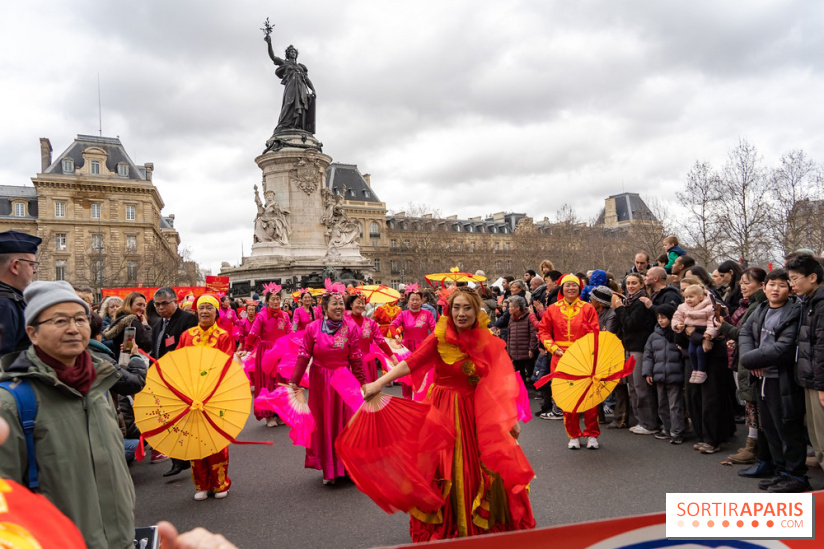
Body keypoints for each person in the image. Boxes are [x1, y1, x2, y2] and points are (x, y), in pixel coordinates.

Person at [362, 287, 535, 540]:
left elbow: (498, 382)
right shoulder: (439, 337)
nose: (461, 313)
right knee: (445, 469)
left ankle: (479, 528)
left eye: (467, 308)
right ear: (449, 310)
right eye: (456, 308)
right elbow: (411, 362)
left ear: (476, 312)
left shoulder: (487, 340)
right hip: (443, 411)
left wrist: (509, 418)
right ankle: (451, 525)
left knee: (482, 469)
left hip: (479, 413)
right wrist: (379, 383)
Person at [0, 281, 135, 548]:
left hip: (121, 539)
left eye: (80, 319)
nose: (73, 329)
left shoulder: (99, 384)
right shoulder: (13, 401)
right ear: (33, 333)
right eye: (60, 320)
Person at [739, 269, 809, 492]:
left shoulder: (794, 312)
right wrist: (753, 361)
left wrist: (750, 360)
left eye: (781, 285)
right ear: (764, 287)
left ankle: (797, 476)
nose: (775, 289)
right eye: (772, 284)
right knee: (769, 428)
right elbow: (745, 334)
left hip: (783, 380)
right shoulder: (761, 309)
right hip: (762, 379)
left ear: (789, 289)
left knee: (787, 428)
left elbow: (785, 348)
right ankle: (781, 471)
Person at [289, 286, 366, 485]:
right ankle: (330, 469)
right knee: (324, 424)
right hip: (320, 382)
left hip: (344, 381)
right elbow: (304, 354)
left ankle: (348, 467)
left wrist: (364, 384)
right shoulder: (312, 328)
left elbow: (356, 358)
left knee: (347, 423)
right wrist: (294, 381)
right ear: (324, 307)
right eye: (334, 304)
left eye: (341, 303)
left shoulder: (351, 328)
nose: (339, 307)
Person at [177, 294, 238, 500]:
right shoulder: (186, 336)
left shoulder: (223, 337)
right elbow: (178, 363)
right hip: (191, 395)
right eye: (201, 308)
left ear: (216, 312)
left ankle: (220, 483)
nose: (204, 311)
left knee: (216, 440)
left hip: (214, 395)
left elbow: (226, 365)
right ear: (196, 311)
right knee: (196, 440)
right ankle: (201, 484)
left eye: (209, 308)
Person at [537, 274, 600, 449]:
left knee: (589, 397)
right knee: (567, 398)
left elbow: (594, 331)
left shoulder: (588, 308)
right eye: (567, 286)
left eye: (574, 285)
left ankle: (591, 434)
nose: (571, 288)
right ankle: (573, 434)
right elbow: (543, 332)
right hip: (560, 358)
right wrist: (553, 348)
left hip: (584, 359)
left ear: (580, 288)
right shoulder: (552, 309)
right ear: (562, 289)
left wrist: (584, 350)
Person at [717, 267, 768, 467]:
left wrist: (722, 326)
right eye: (742, 283)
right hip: (743, 358)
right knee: (750, 405)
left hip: (753, 362)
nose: (743, 286)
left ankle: (755, 448)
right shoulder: (748, 304)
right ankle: (752, 444)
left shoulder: (758, 306)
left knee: (755, 405)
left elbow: (744, 334)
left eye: (748, 282)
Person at [150, 287, 199, 477]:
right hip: (164, 379)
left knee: (186, 420)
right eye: (157, 304)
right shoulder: (157, 326)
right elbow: (156, 352)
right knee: (169, 420)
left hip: (183, 377)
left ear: (175, 301)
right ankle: (178, 460)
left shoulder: (187, 320)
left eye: (164, 303)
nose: (161, 308)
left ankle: (190, 458)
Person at [786, 254, 824, 469]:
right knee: (816, 436)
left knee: (821, 436)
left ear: (812, 277)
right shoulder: (808, 302)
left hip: (817, 380)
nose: (792, 284)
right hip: (809, 377)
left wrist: (821, 385)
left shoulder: (820, 304)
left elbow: (821, 348)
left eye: (795, 278)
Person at [611, 273, 657, 432]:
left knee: (640, 387)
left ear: (641, 285)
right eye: (628, 283)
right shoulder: (630, 301)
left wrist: (619, 309)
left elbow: (630, 324)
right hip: (629, 348)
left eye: (634, 283)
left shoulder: (640, 302)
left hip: (639, 348)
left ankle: (649, 423)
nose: (630, 286)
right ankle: (640, 421)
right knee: (632, 388)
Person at [243, 288, 293, 427]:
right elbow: (253, 333)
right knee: (267, 383)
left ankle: (279, 413)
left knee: (281, 383)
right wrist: (246, 348)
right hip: (266, 352)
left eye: (278, 299)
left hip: (281, 352)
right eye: (273, 299)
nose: (276, 302)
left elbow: (289, 333)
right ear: (267, 301)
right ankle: (268, 416)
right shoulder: (261, 316)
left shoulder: (285, 316)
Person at [642, 304, 686, 444]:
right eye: (658, 318)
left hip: (675, 375)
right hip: (659, 375)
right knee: (662, 405)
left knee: (675, 405)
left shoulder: (677, 334)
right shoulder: (654, 336)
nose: (661, 320)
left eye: (664, 317)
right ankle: (667, 429)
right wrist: (647, 372)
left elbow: (683, 353)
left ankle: (677, 431)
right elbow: (648, 355)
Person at [0, 230, 41, 356]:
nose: (34, 271)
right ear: (15, 266)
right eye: (31, 264)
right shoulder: (4, 306)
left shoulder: (10, 300)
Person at [391, 289, 436, 398]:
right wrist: (397, 336)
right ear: (408, 301)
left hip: (423, 349)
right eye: (412, 299)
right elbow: (392, 326)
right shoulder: (403, 314)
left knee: (423, 374)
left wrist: (431, 341)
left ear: (422, 301)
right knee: (406, 374)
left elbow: (435, 329)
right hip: (407, 349)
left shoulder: (428, 314)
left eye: (417, 299)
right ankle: (407, 399)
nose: (415, 302)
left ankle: (421, 397)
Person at [672, 284, 719, 384]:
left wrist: (709, 334)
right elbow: (676, 317)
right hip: (691, 335)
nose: (688, 299)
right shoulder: (683, 307)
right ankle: (695, 370)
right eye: (686, 297)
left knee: (700, 351)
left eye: (691, 297)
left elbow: (712, 322)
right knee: (691, 351)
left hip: (703, 332)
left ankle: (701, 370)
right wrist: (677, 325)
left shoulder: (709, 307)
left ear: (701, 297)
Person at [346, 292, 396, 382]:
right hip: (350, 362)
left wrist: (393, 357)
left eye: (363, 303)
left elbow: (381, 342)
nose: (361, 305)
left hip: (367, 361)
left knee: (368, 391)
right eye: (358, 302)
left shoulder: (370, 323)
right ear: (350, 304)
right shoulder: (344, 321)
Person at [102, 291, 153, 361]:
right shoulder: (133, 320)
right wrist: (146, 326)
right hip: (134, 361)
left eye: (144, 305)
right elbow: (147, 345)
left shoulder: (119, 318)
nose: (142, 308)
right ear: (129, 305)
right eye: (139, 304)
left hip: (120, 360)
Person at [506, 295, 537, 384]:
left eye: (511, 306)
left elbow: (533, 334)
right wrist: (509, 350)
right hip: (515, 352)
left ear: (518, 307)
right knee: (519, 373)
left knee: (531, 371)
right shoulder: (511, 318)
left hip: (526, 351)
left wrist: (531, 349)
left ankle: (535, 390)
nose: (509, 309)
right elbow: (509, 335)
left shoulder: (528, 317)